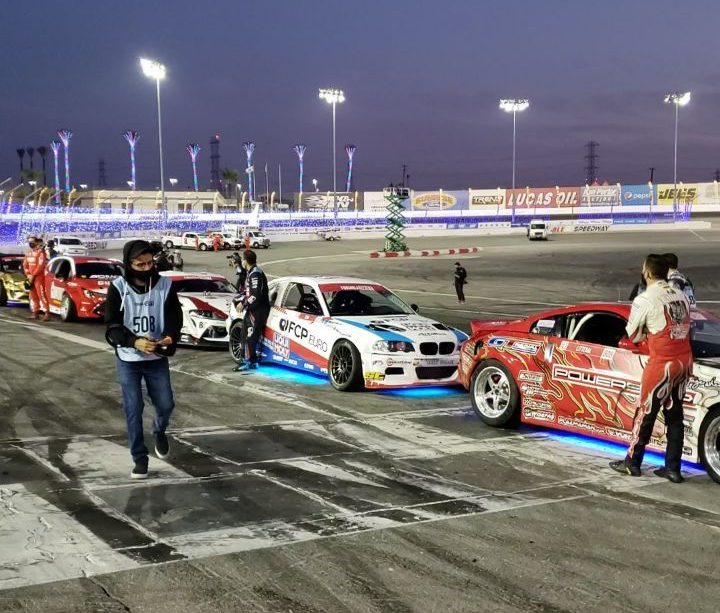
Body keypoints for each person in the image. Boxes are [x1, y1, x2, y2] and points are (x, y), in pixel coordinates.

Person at [610, 253, 693, 483]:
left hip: (662, 363)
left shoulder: (644, 299)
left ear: (647, 272)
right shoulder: (680, 294)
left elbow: (633, 334)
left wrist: (648, 331)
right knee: (675, 416)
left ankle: (632, 462)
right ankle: (673, 469)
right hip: (684, 361)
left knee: (645, 412)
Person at [105, 240, 183, 479]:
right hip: (129, 358)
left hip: (156, 357)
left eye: (150, 263)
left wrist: (169, 337)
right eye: (141, 264)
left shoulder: (165, 285)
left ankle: (159, 429)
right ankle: (139, 458)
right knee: (133, 407)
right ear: (129, 264)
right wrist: (134, 341)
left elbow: (175, 318)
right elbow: (112, 328)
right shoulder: (118, 287)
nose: (147, 267)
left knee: (166, 404)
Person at [233, 250, 270, 372]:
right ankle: (248, 360)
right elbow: (249, 291)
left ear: (246, 261)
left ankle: (249, 362)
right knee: (244, 335)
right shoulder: (251, 272)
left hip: (258, 310)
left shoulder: (255, 274)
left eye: (243, 259)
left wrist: (244, 303)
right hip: (252, 309)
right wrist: (240, 298)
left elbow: (256, 295)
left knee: (250, 337)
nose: (241, 262)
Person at [22, 235, 49, 321]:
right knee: (33, 296)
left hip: (39, 277)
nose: (31, 244)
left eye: (32, 242)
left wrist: (33, 275)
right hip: (30, 277)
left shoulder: (41, 253)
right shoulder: (28, 253)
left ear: (36, 242)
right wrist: (28, 274)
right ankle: (35, 313)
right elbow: (25, 265)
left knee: (41, 295)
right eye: (29, 242)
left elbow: (40, 265)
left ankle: (47, 313)